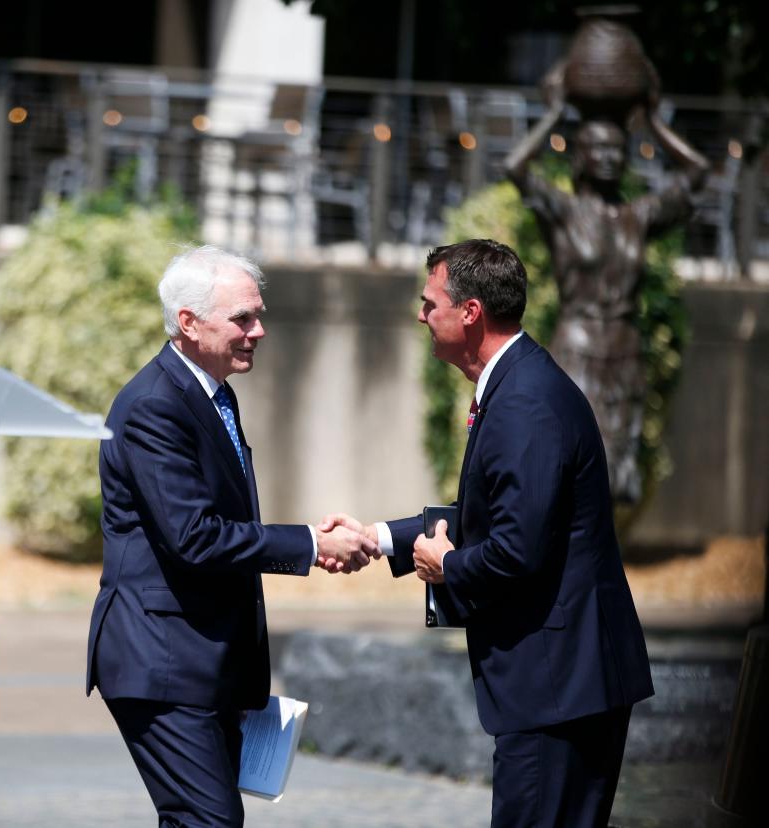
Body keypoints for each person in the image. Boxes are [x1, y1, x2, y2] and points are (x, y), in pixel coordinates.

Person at [324, 239, 654, 827]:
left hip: (559, 688)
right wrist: (380, 538)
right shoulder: (517, 384)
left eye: (430, 303)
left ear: (470, 313)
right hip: (565, 683)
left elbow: (515, 549)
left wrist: (446, 567)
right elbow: (494, 511)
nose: (421, 315)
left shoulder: (524, 402)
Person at [86, 245, 378, 827]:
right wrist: (312, 546)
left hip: (206, 662)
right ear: (189, 323)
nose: (259, 330)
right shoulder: (153, 406)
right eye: (242, 318)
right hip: (161, 664)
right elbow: (195, 537)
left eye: (258, 314)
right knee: (208, 822)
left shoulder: (212, 393)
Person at [504, 63, 708, 503]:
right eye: (600, 148)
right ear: (581, 155)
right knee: (565, 463)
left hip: (625, 350)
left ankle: (597, 567)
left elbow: (697, 171)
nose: (612, 157)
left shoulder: (638, 217)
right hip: (575, 345)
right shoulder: (563, 211)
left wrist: (653, 119)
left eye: (620, 149)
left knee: (619, 480)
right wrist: (555, 113)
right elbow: (515, 166)